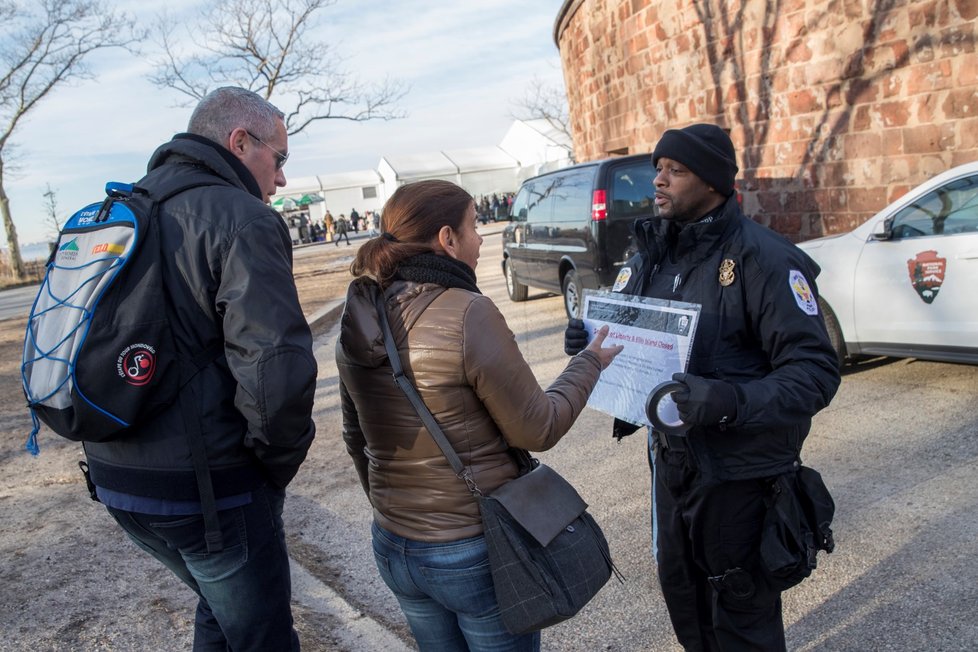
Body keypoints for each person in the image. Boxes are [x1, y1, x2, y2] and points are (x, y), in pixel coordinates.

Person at [564, 124, 841, 651]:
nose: (659, 181)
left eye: (676, 171)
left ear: (713, 182)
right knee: (684, 595)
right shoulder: (652, 250)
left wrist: (728, 400)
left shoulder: (766, 260)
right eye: (658, 169)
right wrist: (591, 342)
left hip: (741, 476)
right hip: (672, 464)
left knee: (740, 612)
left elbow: (815, 374)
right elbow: (634, 334)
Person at [336, 179, 623, 652]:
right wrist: (589, 362)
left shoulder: (360, 311)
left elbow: (355, 435)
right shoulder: (467, 312)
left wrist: (392, 505)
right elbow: (539, 426)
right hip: (470, 549)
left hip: (394, 543)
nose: (482, 237)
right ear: (446, 239)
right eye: (474, 225)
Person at [82, 87, 318, 651]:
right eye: (279, 159)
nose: (281, 179)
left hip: (116, 478)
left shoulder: (126, 209)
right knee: (262, 637)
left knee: (221, 610)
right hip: (208, 492)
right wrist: (270, 469)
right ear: (241, 141)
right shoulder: (242, 218)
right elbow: (276, 370)